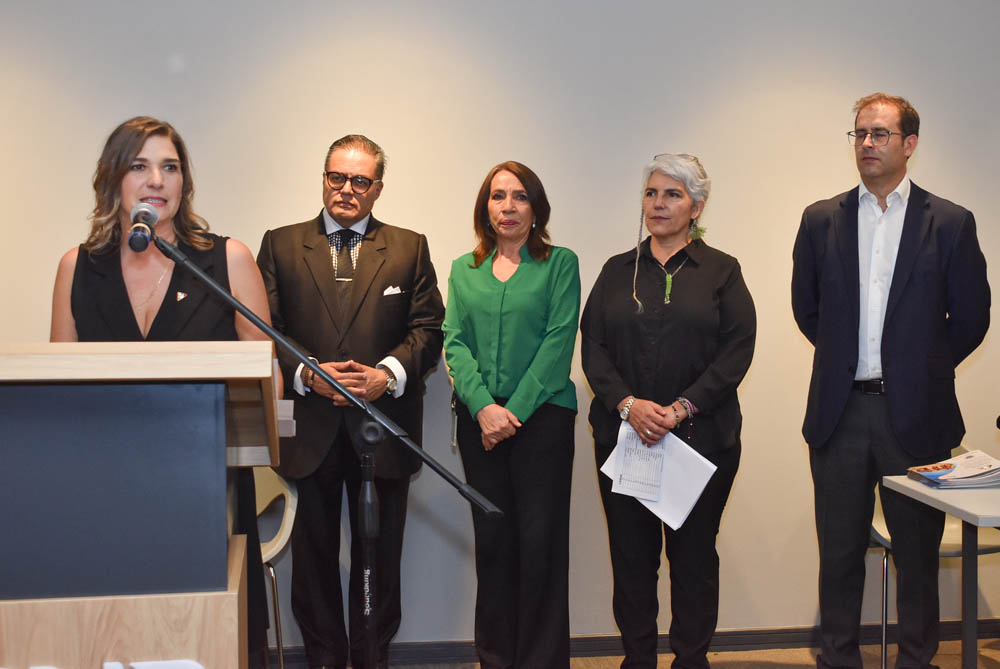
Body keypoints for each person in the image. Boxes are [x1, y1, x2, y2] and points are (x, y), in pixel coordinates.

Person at [49, 115, 276, 667]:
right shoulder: (78, 268)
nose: (157, 180)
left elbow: (265, 370)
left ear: (184, 182)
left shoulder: (226, 260)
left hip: (209, 482)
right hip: (106, 488)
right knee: (116, 640)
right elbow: (57, 385)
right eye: (140, 166)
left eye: (170, 167)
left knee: (206, 641)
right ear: (113, 178)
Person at [791, 93, 990, 668]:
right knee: (838, 555)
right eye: (860, 133)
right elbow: (808, 309)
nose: (867, 144)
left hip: (917, 417)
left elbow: (971, 317)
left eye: (880, 133)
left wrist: (921, 371)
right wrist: (847, 363)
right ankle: (838, 658)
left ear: (910, 144)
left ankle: (915, 660)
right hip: (839, 414)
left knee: (917, 557)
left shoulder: (949, 222)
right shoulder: (821, 219)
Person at [256, 134, 445, 669]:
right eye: (337, 177)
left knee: (379, 560)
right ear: (323, 179)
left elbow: (429, 329)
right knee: (313, 561)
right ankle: (323, 658)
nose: (346, 189)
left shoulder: (409, 247)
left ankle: (371, 658)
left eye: (360, 180)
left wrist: (387, 374)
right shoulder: (281, 245)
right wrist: (306, 374)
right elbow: (265, 329)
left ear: (377, 188)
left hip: (381, 429)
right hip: (310, 430)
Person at [580, 153, 756, 669]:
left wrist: (680, 409)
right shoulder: (618, 271)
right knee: (632, 561)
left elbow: (737, 350)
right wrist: (629, 405)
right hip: (626, 442)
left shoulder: (722, 271)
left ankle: (691, 660)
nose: (658, 204)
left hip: (701, 443)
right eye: (651, 193)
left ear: (696, 207)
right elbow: (593, 347)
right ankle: (638, 659)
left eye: (672, 195)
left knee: (693, 561)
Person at [443, 161, 580, 668]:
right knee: (494, 544)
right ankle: (496, 659)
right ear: (485, 208)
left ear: (536, 208)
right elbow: (454, 342)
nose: (508, 206)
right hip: (479, 424)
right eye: (498, 196)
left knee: (541, 545)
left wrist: (510, 414)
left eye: (520, 196)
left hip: (543, 422)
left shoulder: (560, 264)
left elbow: (558, 342)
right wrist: (483, 408)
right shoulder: (464, 269)